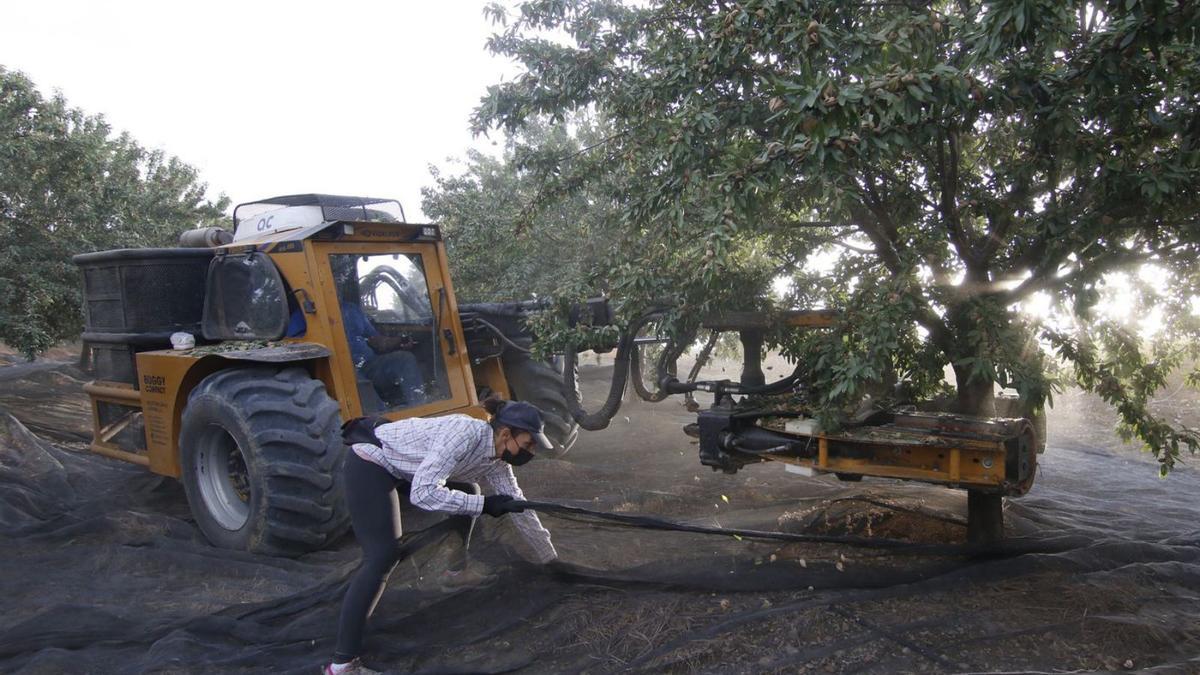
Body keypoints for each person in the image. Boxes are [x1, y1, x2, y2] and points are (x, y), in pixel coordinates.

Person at [324, 398, 559, 675]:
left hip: (409, 465)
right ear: (506, 434)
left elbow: (519, 506)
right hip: (374, 461)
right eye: (529, 443)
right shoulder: (464, 434)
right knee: (382, 555)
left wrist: (550, 560)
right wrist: (485, 505)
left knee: (469, 491)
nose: (530, 452)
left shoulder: (497, 461)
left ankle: (454, 572)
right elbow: (423, 494)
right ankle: (342, 665)